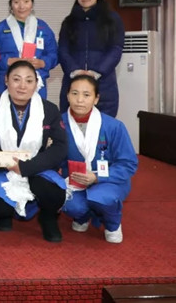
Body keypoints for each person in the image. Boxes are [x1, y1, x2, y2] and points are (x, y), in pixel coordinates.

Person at [0, 60, 68, 242]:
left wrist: (26, 167)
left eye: (29, 80)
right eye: (16, 79)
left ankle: (48, 218)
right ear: (6, 80)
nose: (22, 86)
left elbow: (60, 147)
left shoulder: (49, 109)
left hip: (35, 167)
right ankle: (5, 215)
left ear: (36, 83)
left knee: (53, 193)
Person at [60, 75, 137, 243]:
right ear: (67, 96)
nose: (80, 100)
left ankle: (112, 223)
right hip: (74, 180)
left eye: (86, 95)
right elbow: (54, 160)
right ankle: (82, 216)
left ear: (96, 99)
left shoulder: (113, 126)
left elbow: (128, 163)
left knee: (102, 197)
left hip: (109, 181)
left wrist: (96, 177)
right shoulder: (59, 124)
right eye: (74, 93)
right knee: (69, 203)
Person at [58, 0, 125, 117]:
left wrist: (96, 72)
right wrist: (75, 71)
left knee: (104, 125)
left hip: (104, 83)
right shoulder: (69, 22)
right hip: (73, 81)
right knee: (70, 124)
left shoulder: (112, 19)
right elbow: (63, 50)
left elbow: (116, 49)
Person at [0, 0, 58, 100]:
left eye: (26, 1)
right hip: (6, 84)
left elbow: (54, 53)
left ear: (32, 4)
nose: (21, 6)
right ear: (11, 5)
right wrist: (8, 61)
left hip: (36, 83)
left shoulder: (43, 27)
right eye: (16, 2)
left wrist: (43, 63)